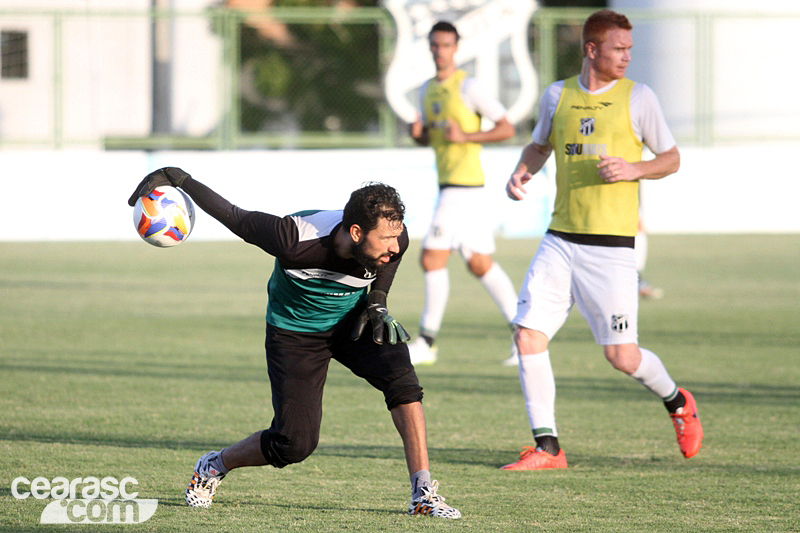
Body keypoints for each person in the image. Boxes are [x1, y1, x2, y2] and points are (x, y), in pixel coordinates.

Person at [127, 168, 461, 519]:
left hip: (352, 321)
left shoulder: (394, 238)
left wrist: (377, 300)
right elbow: (235, 217)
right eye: (386, 240)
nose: (395, 248)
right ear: (356, 232)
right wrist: (179, 179)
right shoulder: (293, 238)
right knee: (293, 443)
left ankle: (422, 494)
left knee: (402, 380)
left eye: (398, 237)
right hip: (295, 336)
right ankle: (215, 464)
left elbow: (389, 261)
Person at [502, 10, 703, 470]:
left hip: (610, 248)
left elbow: (670, 158)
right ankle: (548, 447)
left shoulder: (640, 98)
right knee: (528, 336)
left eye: (630, 49)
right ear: (591, 49)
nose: (627, 57)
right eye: (619, 49)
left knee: (622, 356)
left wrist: (635, 168)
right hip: (559, 239)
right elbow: (540, 144)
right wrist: (521, 171)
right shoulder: (558, 94)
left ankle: (677, 402)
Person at [408, 20, 519, 366]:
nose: (440, 51)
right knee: (480, 263)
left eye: (446, 45)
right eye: (435, 45)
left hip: (464, 187)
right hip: (453, 186)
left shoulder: (468, 87)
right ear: (430, 48)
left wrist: (467, 137)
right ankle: (525, 335)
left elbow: (506, 128)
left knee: (431, 258)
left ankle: (427, 342)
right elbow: (430, 136)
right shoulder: (428, 90)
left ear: (455, 48)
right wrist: (418, 135)